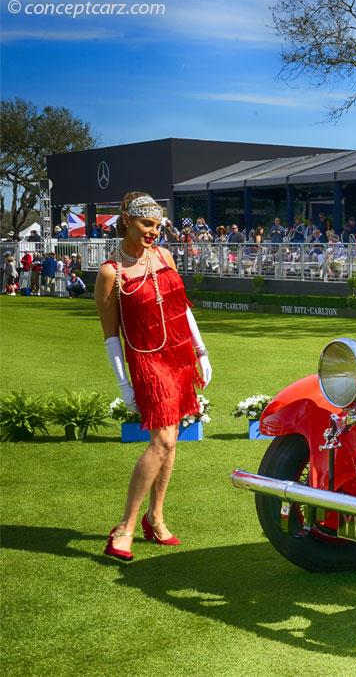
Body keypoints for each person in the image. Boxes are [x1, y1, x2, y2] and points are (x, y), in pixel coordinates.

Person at [94, 191, 213, 562]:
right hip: (146, 362)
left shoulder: (165, 256)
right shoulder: (110, 272)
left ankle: (155, 518)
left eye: (158, 225)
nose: (154, 232)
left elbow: (183, 308)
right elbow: (110, 335)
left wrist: (202, 351)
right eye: (147, 224)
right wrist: (122, 383)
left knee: (172, 440)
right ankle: (125, 528)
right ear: (126, 220)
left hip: (179, 355)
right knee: (161, 439)